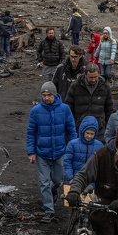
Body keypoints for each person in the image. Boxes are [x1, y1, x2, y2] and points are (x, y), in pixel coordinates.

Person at [26, 81, 77, 223]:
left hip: (60, 151)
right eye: (44, 95)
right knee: (43, 182)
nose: (46, 98)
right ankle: (49, 210)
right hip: (42, 152)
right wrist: (31, 152)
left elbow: (71, 130)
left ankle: (53, 190)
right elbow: (31, 133)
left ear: (55, 95)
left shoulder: (65, 109)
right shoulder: (35, 111)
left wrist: (73, 148)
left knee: (58, 180)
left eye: (49, 95)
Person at [65, 63, 113, 134]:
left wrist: (106, 127)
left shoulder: (105, 88)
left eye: (95, 77)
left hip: (99, 129)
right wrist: (74, 124)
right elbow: (68, 107)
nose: (93, 80)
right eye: (91, 77)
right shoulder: (75, 86)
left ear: (99, 74)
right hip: (80, 128)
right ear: (85, 75)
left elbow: (109, 109)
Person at [64, 115, 104, 184]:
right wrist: (70, 177)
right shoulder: (72, 144)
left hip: (92, 182)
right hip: (75, 180)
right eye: (87, 133)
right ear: (82, 131)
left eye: (92, 134)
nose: (89, 136)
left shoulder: (100, 146)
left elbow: (102, 164)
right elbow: (67, 162)